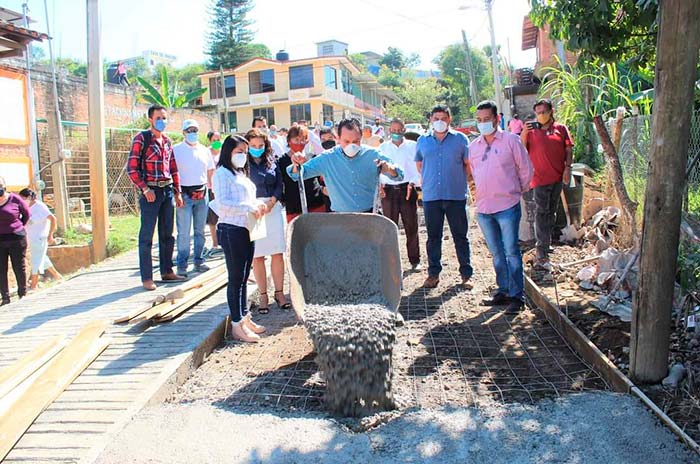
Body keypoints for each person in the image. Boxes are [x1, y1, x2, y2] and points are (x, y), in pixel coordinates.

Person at [468, 101, 533, 314]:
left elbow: (526, 170)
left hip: (507, 205)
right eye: (479, 120)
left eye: (487, 119)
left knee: (512, 252)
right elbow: (475, 174)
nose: (483, 123)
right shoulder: (474, 146)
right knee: (496, 254)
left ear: (497, 119)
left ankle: (517, 296)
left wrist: (515, 192)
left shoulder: (511, 141)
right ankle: (503, 290)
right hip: (485, 208)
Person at [209, 135, 267, 343]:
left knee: (244, 276)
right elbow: (222, 203)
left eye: (245, 152)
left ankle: (245, 317)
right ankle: (236, 324)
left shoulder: (240, 173)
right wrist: (249, 207)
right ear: (228, 152)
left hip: (247, 227)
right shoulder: (222, 174)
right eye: (238, 152)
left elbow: (247, 198)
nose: (243, 156)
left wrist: (257, 204)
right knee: (235, 278)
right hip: (231, 228)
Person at [126, 104, 186, 290]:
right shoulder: (142, 139)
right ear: (150, 119)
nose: (162, 121)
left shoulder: (167, 141)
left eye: (164, 118)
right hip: (150, 192)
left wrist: (177, 192)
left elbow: (173, 168)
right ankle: (147, 278)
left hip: (167, 190)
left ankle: (167, 271)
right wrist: (145, 189)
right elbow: (132, 168)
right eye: (158, 118)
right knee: (147, 236)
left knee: (168, 234)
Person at [287, 118, 402, 213]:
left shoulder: (373, 154)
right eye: (346, 142)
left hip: (370, 215)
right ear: (338, 139)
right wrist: (296, 163)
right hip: (340, 219)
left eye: (356, 141)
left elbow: (400, 174)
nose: (351, 146)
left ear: (361, 137)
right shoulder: (327, 158)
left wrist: (390, 169)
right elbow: (297, 175)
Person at [416, 105, 473, 289]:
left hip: (455, 195)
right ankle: (433, 274)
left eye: (443, 118)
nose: (439, 121)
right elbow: (419, 164)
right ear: (430, 120)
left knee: (460, 236)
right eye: (435, 118)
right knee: (433, 237)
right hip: (431, 196)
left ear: (449, 119)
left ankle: (466, 274)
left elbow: (467, 164)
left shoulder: (460, 139)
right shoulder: (423, 141)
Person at [521, 98, 574, 268]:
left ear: (551, 111)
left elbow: (568, 148)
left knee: (552, 211)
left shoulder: (560, 129)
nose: (540, 115)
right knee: (542, 212)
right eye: (537, 113)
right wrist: (524, 132)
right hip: (539, 179)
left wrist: (567, 168)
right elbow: (522, 148)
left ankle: (547, 242)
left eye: (543, 112)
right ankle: (541, 249)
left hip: (557, 177)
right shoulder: (531, 131)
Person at [245, 128, 290, 313]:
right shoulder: (242, 164)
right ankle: (263, 295)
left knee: (278, 252)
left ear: (266, 145)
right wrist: (255, 206)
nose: (257, 148)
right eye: (253, 145)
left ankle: (279, 293)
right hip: (254, 210)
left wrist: (272, 201)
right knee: (258, 255)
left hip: (273, 207)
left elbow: (280, 184)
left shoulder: (273, 160)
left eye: (260, 145)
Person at [173, 119, 215, 277]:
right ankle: (182, 264)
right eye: (189, 131)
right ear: (183, 133)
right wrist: (176, 193)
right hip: (184, 193)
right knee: (184, 232)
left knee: (200, 230)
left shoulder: (205, 150)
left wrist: (211, 189)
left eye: (195, 130)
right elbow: (172, 172)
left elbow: (210, 170)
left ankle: (199, 260)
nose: (192, 133)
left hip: (201, 193)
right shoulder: (176, 150)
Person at [379, 118, 422, 271]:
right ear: (389, 131)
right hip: (388, 191)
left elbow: (419, 168)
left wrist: (413, 182)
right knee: (390, 227)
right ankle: (391, 262)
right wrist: (380, 186)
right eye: (393, 130)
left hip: (407, 189)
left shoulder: (413, 146)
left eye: (399, 130)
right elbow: (379, 169)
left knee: (411, 226)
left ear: (404, 130)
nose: (396, 133)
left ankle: (415, 260)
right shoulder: (383, 147)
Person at [278, 125, 327, 222]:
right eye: (296, 139)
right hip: (294, 208)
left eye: (303, 139)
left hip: (317, 205)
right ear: (289, 141)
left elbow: (320, 180)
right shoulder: (281, 161)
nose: (300, 143)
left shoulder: (313, 158)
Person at [18, 188, 62, 290]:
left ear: (29, 197)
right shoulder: (26, 207)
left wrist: (51, 235)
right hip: (32, 239)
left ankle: (34, 285)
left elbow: (52, 218)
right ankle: (57, 276)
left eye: (22, 198)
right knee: (42, 258)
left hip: (40, 238)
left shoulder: (39, 206)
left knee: (36, 261)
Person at [0, 177, 29, 305]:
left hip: (16, 238)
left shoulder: (15, 198)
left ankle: (22, 293)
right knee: (1, 269)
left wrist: (18, 227)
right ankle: (5, 297)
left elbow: (26, 214)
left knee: (18, 266)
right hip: (0, 240)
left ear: (5, 185)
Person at [206, 131, 222, 251]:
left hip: (222, 187)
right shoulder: (207, 153)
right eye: (214, 140)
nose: (216, 142)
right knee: (212, 218)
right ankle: (215, 243)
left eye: (218, 139)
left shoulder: (224, 153)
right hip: (211, 188)